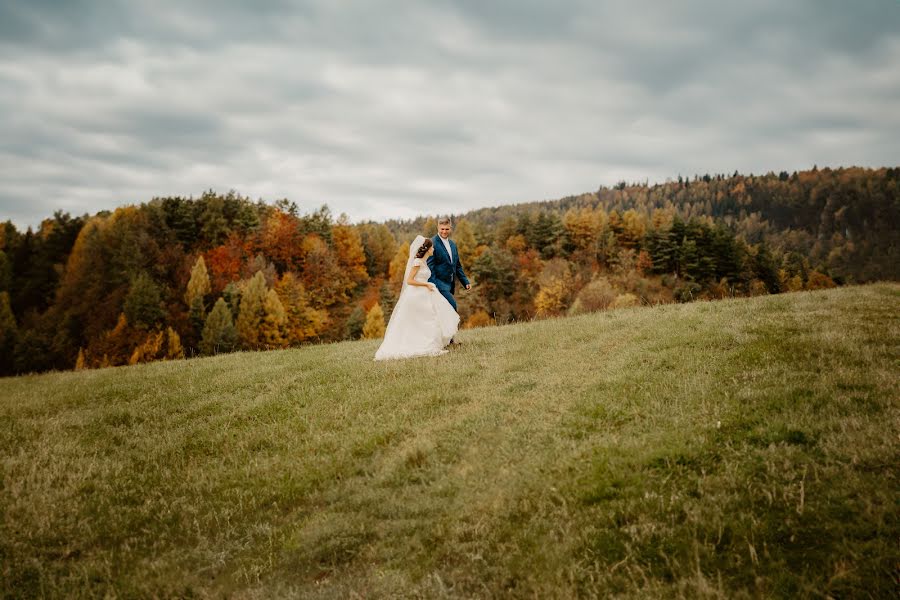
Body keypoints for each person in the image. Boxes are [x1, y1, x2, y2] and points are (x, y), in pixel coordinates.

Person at [374, 236, 459, 360]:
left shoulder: (423, 262)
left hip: (424, 293)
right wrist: (426, 284)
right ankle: (425, 345)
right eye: (432, 247)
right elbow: (409, 281)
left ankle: (432, 343)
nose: (434, 249)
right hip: (416, 295)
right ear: (428, 249)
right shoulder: (417, 262)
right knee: (428, 318)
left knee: (430, 318)